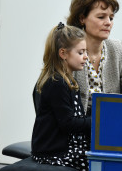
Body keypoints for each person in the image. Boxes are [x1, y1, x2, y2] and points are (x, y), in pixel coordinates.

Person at [67, 0, 122, 115]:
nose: (108, 23)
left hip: (110, 120)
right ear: (82, 18)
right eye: (101, 17)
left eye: (111, 18)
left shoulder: (118, 47)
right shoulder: (68, 50)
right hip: (76, 125)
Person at [31, 22, 90, 171]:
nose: (86, 57)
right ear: (63, 53)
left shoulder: (68, 80)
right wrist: (97, 121)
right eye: (81, 52)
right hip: (52, 153)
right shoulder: (56, 83)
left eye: (86, 52)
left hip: (64, 148)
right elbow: (68, 123)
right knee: (98, 161)